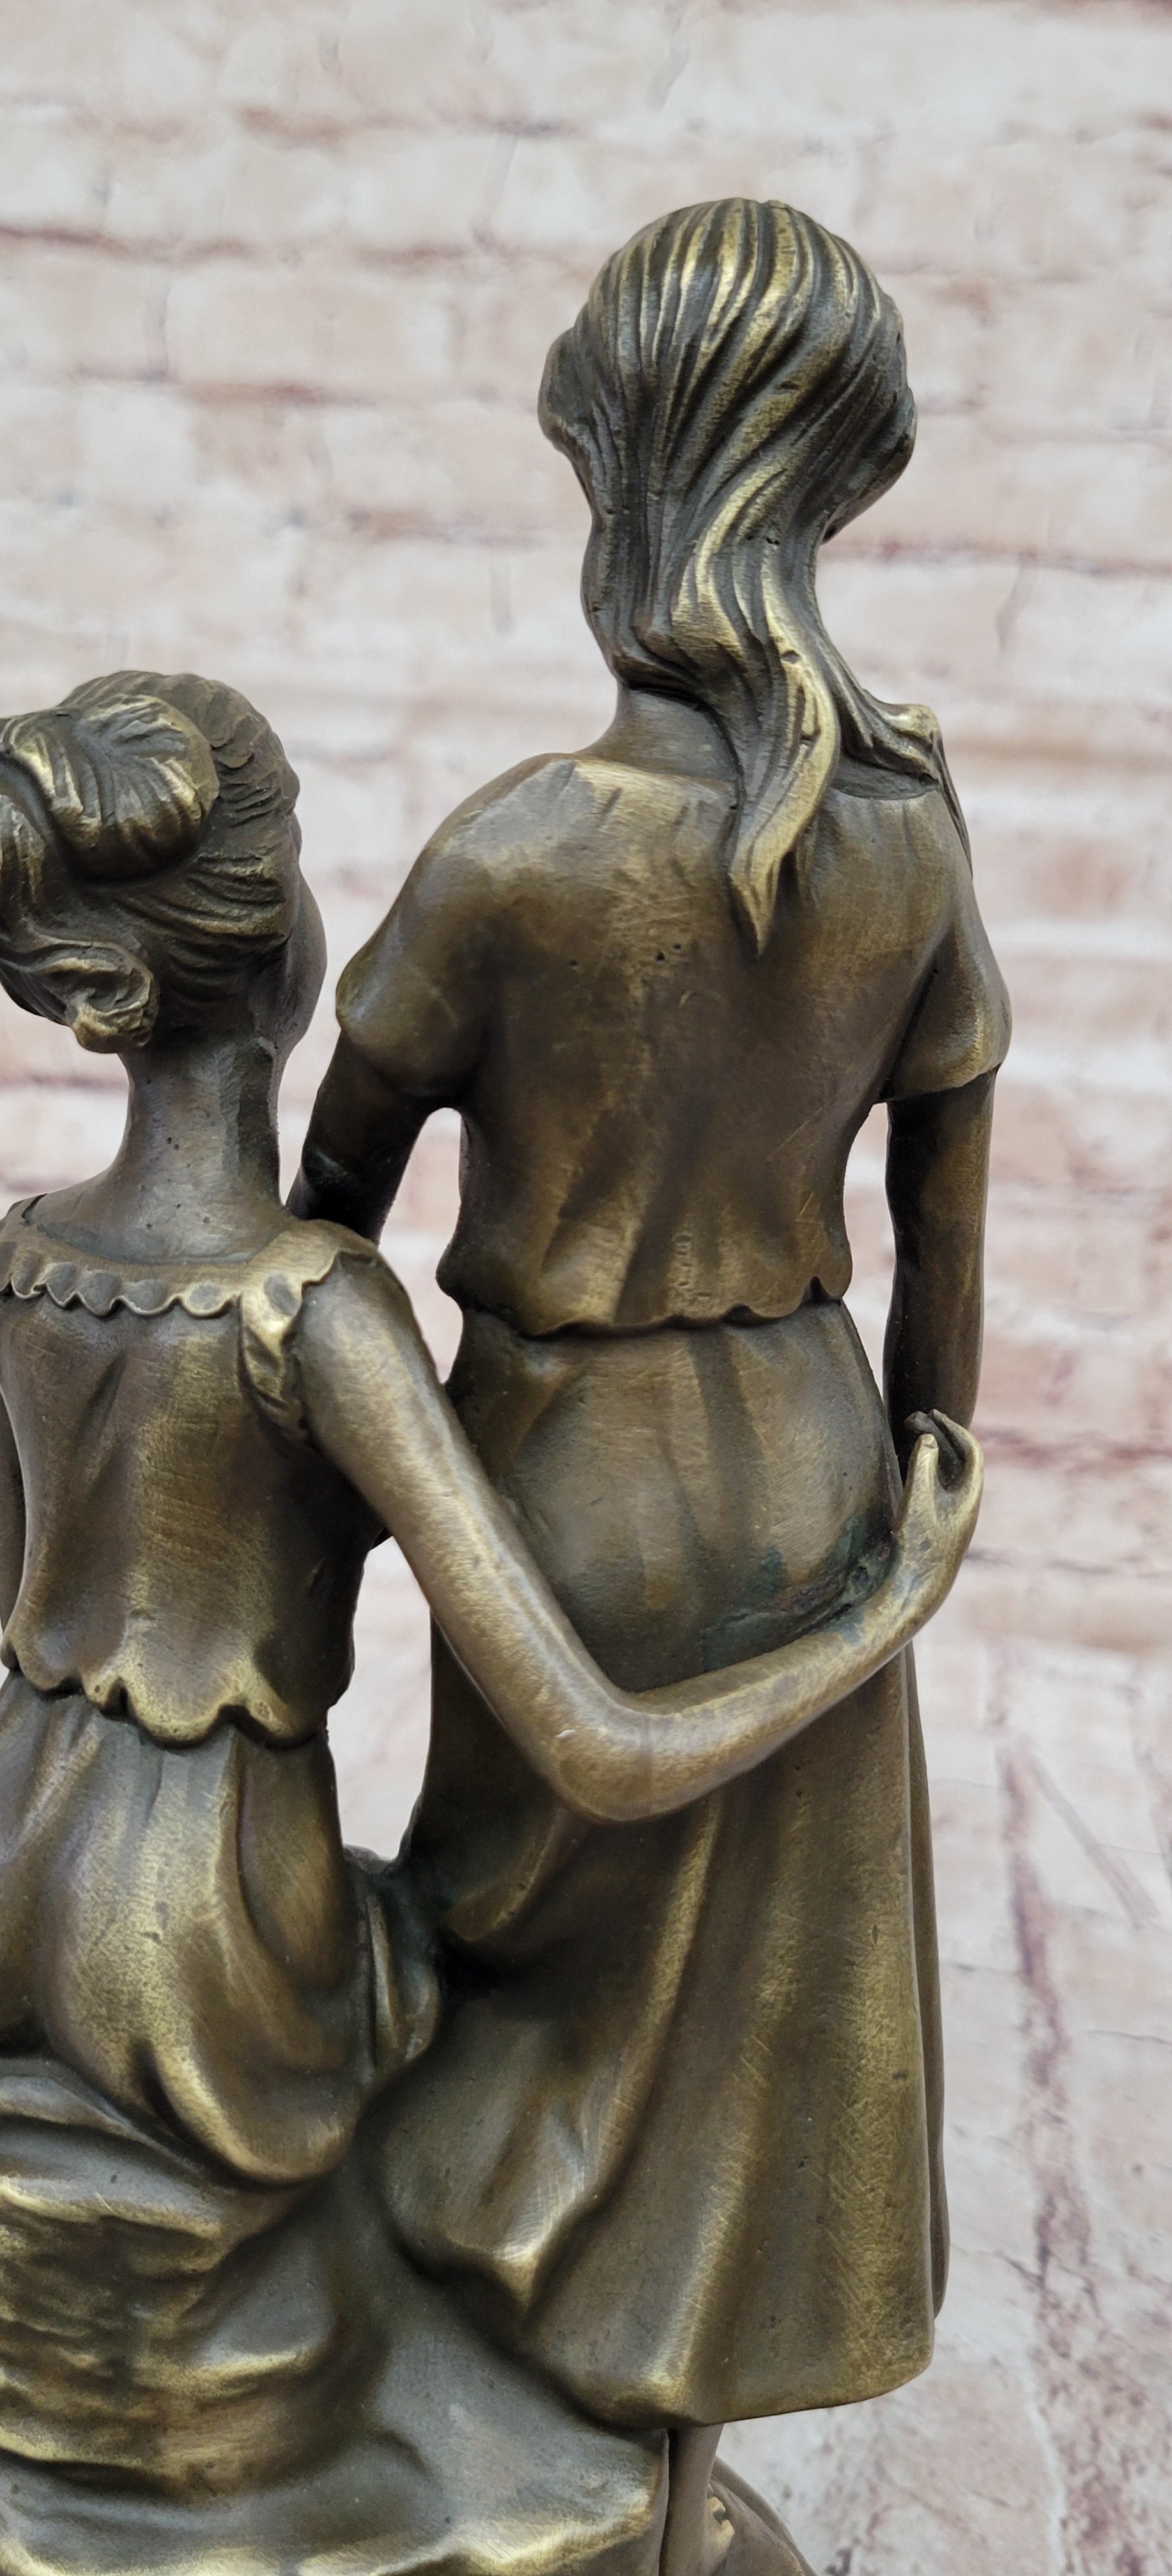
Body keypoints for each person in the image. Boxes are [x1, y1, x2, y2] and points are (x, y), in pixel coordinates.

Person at [0, 669, 980, 2576]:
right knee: (504, 2028)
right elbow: (601, 1750)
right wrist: (880, 1612)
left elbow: (34, 1620)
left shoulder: (20, 1266)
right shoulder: (313, 1311)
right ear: (284, 945)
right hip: (219, 1922)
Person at [292, 201, 1012, 2576]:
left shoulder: (517, 854)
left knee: (536, 1954)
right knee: (755, 2026)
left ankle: (511, 2419)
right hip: (810, 1461)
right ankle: (648, 2464)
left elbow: (328, 1207)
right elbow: (947, 1219)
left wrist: (341, 1494)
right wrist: (921, 1485)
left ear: (623, 470)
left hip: (561, 1467)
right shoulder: (907, 839)